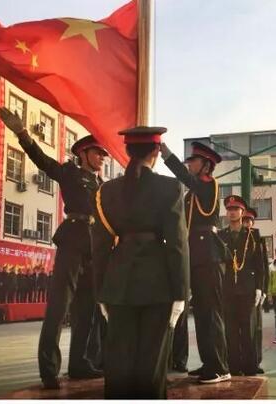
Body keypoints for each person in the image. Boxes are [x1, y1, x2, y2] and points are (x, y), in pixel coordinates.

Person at [0, 107, 105, 389]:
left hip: (94, 248)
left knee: (87, 310)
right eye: (97, 153)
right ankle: (49, 369)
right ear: (83, 154)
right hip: (73, 241)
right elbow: (43, 161)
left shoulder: (102, 184)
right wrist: (22, 133)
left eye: (103, 154)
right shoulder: (70, 172)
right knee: (59, 307)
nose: (102, 158)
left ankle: (79, 364)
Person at [92, 126, 189, 398]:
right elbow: (178, 244)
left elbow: (99, 246)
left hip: (118, 282)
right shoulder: (170, 187)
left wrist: (101, 291)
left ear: (127, 151)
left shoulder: (106, 191)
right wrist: (181, 293)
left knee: (118, 363)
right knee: (151, 363)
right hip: (158, 283)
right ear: (156, 152)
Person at [160, 141, 230, 383]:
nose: (189, 165)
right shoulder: (194, 191)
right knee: (201, 314)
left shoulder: (208, 185)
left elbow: (185, 178)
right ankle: (210, 362)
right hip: (197, 254)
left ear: (206, 166)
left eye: (193, 161)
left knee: (210, 314)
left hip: (208, 254)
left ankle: (220, 367)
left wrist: (166, 155)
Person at [218, 195, 264, 376]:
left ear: (242, 212)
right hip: (228, 288)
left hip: (247, 288)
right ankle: (234, 366)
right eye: (229, 209)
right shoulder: (221, 235)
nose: (232, 212)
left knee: (248, 329)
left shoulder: (253, 235)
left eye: (235, 209)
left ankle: (250, 366)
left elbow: (259, 264)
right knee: (230, 330)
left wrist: (260, 287)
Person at [242, 208, 269, 374]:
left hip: (254, 290)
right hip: (239, 289)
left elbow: (263, 266)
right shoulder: (236, 237)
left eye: (249, 221)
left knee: (256, 328)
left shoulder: (258, 239)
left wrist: (264, 289)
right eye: (244, 221)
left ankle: (255, 361)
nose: (246, 223)